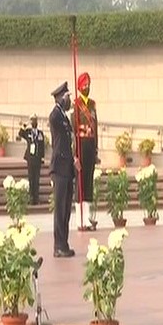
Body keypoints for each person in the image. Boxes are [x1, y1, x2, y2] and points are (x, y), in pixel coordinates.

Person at [49, 81, 77, 258]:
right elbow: (62, 142)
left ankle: (64, 243)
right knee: (60, 208)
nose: (69, 100)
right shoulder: (55, 116)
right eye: (67, 97)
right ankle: (58, 245)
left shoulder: (64, 117)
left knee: (66, 208)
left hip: (67, 168)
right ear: (60, 98)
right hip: (59, 167)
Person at [73, 72, 98, 230]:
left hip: (90, 147)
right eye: (84, 85)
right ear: (79, 87)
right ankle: (79, 219)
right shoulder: (76, 105)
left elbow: (96, 127)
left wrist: (96, 149)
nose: (87, 87)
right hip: (81, 146)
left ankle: (88, 218)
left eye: (88, 85)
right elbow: (74, 129)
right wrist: (75, 153)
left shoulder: (93, 104)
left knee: (88, 182)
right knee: (80, 183)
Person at [18, 113, 45, 205]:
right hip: (30, 159)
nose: (34, 122)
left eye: (35, 120)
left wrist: (42, 157)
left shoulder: (40, 133)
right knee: (31, 178)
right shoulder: (28, 132)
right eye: (32, 120)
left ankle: (36, 198)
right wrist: (24, 125)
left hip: (37, 159)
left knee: (37, 179)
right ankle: (31, 198)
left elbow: (42, 146)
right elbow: (20, 134)